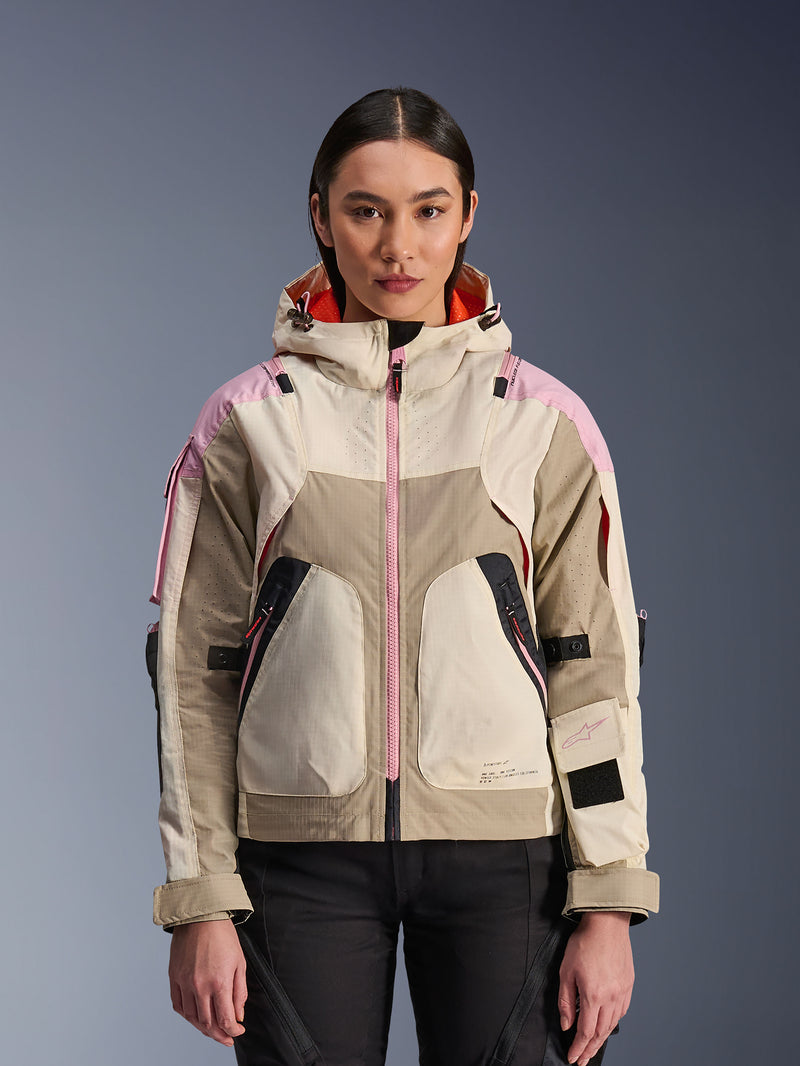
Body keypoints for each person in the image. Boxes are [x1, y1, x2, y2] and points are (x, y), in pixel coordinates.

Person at [146, 87, 659, 1066]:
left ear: (467, 216)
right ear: (320, 217)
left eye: (428, 210)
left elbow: (594, 670)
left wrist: (607, 900)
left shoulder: (542, 421)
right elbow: (192, 676)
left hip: (507, 864)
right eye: (365, 210)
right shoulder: (247, 424)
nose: (398, 246)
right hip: (298, 865)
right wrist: (201, 898)